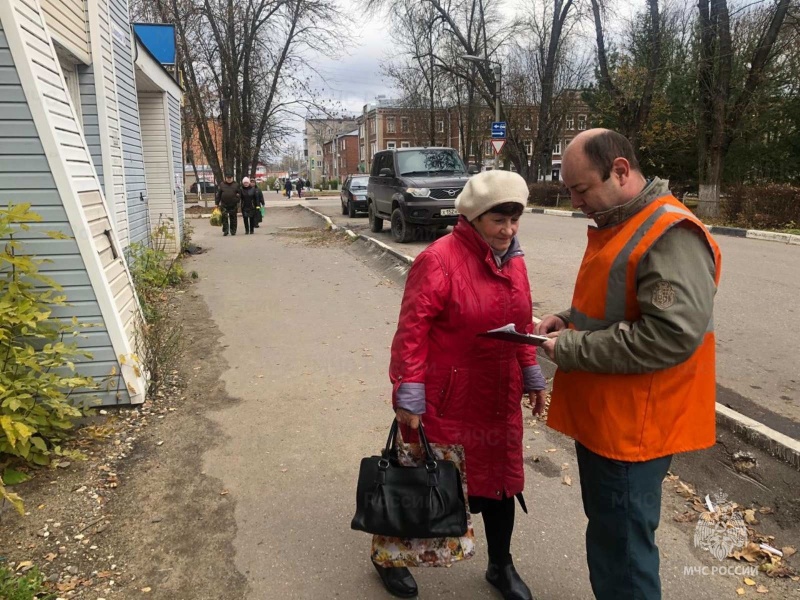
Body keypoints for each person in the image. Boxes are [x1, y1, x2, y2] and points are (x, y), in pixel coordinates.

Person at [536, 129, 722, 600]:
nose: (576, 202)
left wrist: (573, 348)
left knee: (623, 555)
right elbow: (621, 305)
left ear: (620, 171)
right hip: (609, 420)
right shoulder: (624, 222)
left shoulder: (669, 232)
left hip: (633, 431)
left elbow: (670, 335)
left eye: (581, 190)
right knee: (611, 540)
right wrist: (569, 318)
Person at [380, 170, 548, 600]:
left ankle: (501, 565)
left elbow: (522, 322)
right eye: (499, 220)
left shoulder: (516, 260)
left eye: (515, 220)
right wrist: (408, 393)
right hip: (449, 397)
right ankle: (389, 556)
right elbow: (411, 333)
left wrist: (530, 372)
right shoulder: (437, 260)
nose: (509, 230)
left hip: (499, 396)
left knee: (500, 483)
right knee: (423, 481)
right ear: (474, 218)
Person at [214, 172, 241, 236]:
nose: (229, 179)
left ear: (232, 178)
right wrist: (216, 203)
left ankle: (233, 231)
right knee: (224, 218)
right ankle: (225, 231)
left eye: (230, 178)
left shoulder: (236, 185)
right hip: (224, 204)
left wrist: (237, 199)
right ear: (225, 178)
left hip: (233, 204)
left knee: (233, 218)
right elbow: (219, 194)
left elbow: (239, 194)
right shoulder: (222, 184)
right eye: (227, 178)